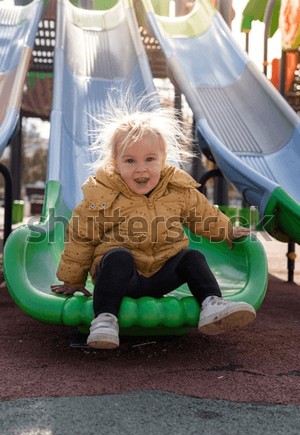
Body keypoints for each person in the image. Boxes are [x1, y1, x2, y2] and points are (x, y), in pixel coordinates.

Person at [51, 93, 255, 350]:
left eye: (149, 159)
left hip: (161, 275)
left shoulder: (178, 189)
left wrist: (227, 230)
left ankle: (212, 304)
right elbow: (82, 236)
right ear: (116, 163)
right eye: (130, 161)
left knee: (192, 257)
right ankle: (104, 319)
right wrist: (73, 280)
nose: (141, 169)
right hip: (122, 279)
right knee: (116, 258)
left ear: (163, 158)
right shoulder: (103, 194)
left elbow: (203, 215)